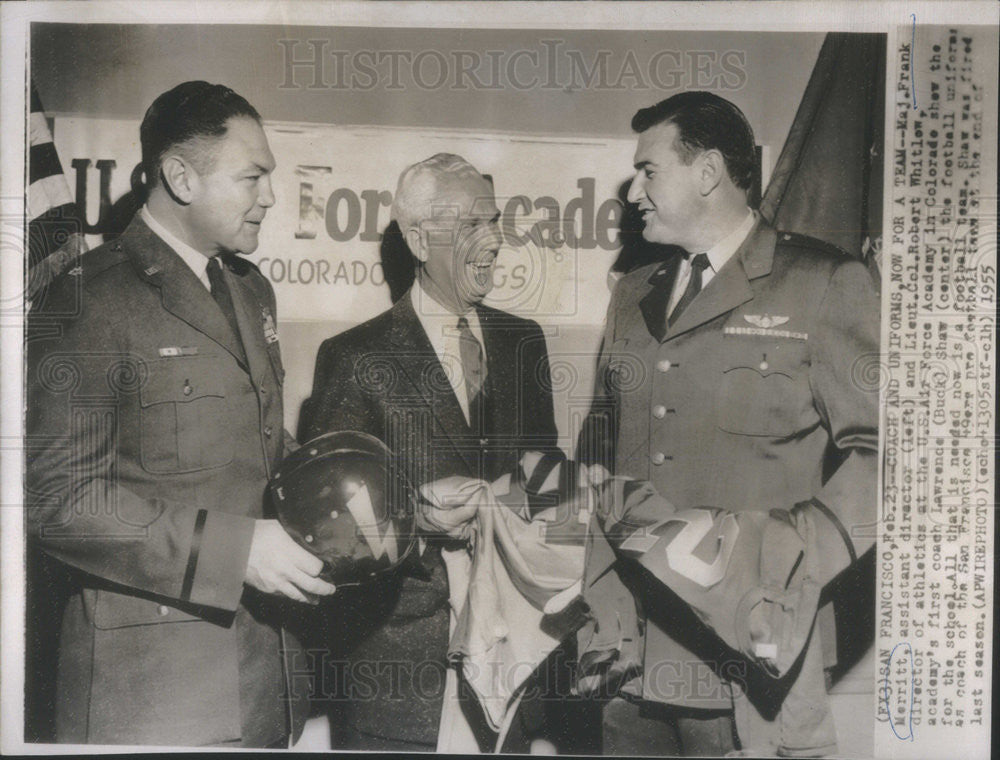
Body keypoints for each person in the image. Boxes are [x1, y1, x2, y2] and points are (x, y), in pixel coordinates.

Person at [25, 81, 336, 748]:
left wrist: (348, 494)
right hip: (153, 696)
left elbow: (253, 450)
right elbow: (58, 502)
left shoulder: (252, 292)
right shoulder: (91, 299)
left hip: (262, 679)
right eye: (253, 177)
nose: (272, 197)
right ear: (179, 177)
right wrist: (236, 550)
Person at [577, 91, 879, 756]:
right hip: (630, 654)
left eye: (649, 171)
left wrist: (796, 562)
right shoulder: (633, 293)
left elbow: (884, 457)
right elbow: (601, 437)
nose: (634, 194)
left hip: (746, 661)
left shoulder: (824, 283)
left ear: (707, 171)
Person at [300, 153, 591, 753]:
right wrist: (418, 521)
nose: (491, 242)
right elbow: (326, 531)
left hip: (512, 662)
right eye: (467, 227)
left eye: (494, 222)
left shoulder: (523, 342)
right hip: (398, 674)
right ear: (416, 239)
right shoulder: (356, 356)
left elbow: (547, 483)